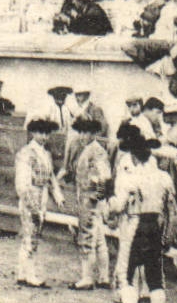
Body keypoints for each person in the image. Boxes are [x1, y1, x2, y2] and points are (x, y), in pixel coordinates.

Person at [111, 125, 175, 303]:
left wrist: (106, 198)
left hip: (134, 225)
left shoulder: (131, 177)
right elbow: (170, 208)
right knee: (155, 275)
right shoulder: (164, 177)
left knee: (126, 274)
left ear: (134, 157)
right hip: (155, 225)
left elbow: (118, 206)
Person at [66, 115, 113, 290]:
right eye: (81, 131)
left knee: (86, 237)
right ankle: (103, 277)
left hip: (90, 200)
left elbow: (105, 176)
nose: (83, 135)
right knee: (99, 238)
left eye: (87, 132)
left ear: (94, 133)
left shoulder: (95, 150)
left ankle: (87, 278)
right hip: (90, 198)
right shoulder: (90, 149)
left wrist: (97, 195)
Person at [14, 118, 61, 288]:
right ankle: (30, 275)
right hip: (31, 195)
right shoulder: (26, 153)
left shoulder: (45, 153)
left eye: (47, 133)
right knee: (31, 235)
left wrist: (57, 194)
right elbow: (22, 184)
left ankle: (22, 273)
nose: (44, 136)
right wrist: (31, 204)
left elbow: (50, 177)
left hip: (42, 196)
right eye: (41, 132)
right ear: (33, 133)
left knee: (31, 235)